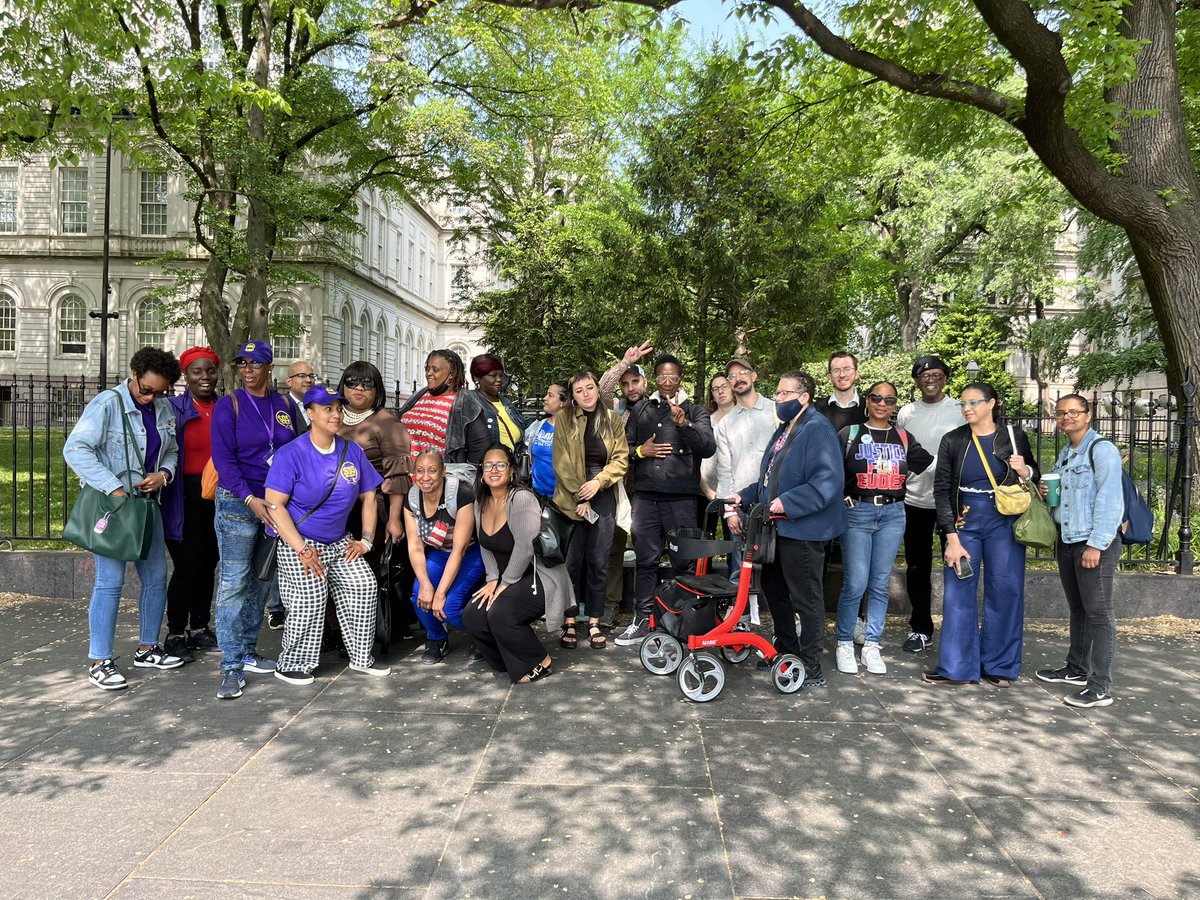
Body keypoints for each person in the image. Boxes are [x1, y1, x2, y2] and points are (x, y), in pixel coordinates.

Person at [64, 347, 185, 690]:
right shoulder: (107, 403)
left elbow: (172, 450)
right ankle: (100, 661)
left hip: (148, 504)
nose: (151, 397)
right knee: (110, 582)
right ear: (133, 374)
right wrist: (113, 487)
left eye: (160, 392)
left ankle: (147, 648)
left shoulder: (162, 408)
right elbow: (75, 448)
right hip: (114, 506)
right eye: (146, 389)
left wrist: (163, 473)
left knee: (157, 577)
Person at [265, 385, 390, 684]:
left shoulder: (351, 450)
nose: (335, 414)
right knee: (309, 601)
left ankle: (361, 657)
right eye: (326, 408)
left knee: (363, 586)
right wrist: (302, 550)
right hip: (302, 543)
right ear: (310, 413)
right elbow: (274, 505)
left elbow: (369, 496)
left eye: (337, 408)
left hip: (340, 541)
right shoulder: (292, 453)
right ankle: (292, 663)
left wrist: (367, 540)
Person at [729, 372, 846, 686]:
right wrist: (746, 495)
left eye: (784, 393)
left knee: (806, 598)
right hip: (777, 531)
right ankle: (785, 649)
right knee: (776, 591)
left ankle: (810, 666)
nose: (778, 399)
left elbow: (827, 482)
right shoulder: (785, 429)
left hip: (802, 531)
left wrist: (787, 503)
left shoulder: (817, 429)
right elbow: (771, 477)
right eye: (777, 393)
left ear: (804, 396)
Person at [926, 382, 1038, 687]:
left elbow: (1035, 476)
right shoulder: (953, 440)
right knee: (958, 591)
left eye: (974, 402)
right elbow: (942, 490)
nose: (967, 408)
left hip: (1005, 520)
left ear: (992, 403)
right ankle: (957, 667)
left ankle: (999, 666)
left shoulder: (1013, 438)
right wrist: (950, 537)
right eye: (963, 403)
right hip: (965, 521)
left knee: (1006, 589)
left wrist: (1024, 470)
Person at [210, 340, 298, 699]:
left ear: (269, 367)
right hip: (237, 502)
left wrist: (278, 501)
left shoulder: (284, 405)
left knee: (261, 582)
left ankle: (247, 650)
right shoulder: (227, 405)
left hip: (275, 506)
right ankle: (230, 665)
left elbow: (294, 450)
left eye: (255, 363)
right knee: (234, 582)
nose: (247, 370)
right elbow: (223, 460)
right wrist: (251, 498)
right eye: (242, 364)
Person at [834, 382, 933, 676]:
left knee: (879, 583)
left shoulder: (902, 437)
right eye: (877, 397)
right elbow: (832, 473)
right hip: (858, 513)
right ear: (868, 400)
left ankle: (872, 644)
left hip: (892, 513)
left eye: (889, 400)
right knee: (855, 583)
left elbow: (931, 465)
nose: (882, 403)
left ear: (894, 405)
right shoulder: (850, 434)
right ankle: (843, 642)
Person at [616, 353, 716, 646]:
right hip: (646, 499)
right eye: (662, 378)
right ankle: (642, 620)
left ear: (680, 378)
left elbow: (708, 447)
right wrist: (640, 453)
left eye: (672, 377)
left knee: (684, 564)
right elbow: (625, 450)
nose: (668, 382)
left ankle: (683, 622)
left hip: (681, 501)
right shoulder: (642, 410)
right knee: (645, 562)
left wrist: (684, 426)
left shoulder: (696, 411)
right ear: (655, 380)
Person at [1035, 394, 1125, 708]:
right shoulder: (1066, 453)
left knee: (1099, 615)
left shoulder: (1102, 450)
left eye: (1074, 412)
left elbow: (1110, 501)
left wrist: (1097, 544)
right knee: (1078, 609)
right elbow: (1064, 502)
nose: (1067, 417)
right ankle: (1076, 668)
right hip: (1068, 539)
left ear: (1088, 415)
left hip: (1091, 542)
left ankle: (1099, 687)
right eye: (1061, 413)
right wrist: (1047, 494)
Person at [464, 445, 555, 682]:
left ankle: (539, 659)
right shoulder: (480, 502)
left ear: (512, 471)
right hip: (506, 576)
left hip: (538, 577)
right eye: (488, 465)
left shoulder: (521, 498)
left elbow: (525, 548)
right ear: (482, 473)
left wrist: (503, 584)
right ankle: (506, 661)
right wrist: (492, 579)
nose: (494, 470)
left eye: (501, 464)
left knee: (499, 613)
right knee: (473, 614)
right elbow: (485, 545)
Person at [552, 370, 629, 650]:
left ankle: (594, 621)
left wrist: (598, 483)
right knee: (572, 563)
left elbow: (621, 459)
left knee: (599, 562)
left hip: (602, 493)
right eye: (579, 390)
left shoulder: (611, 419)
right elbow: (561, 462)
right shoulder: (564, 419)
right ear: (572, 396)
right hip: (571, 498)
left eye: (590, 388)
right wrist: (579, 496)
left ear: (598, 389)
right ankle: (570, 622)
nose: (586, 394)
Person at [896, 355, 962, 653]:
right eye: (924, 375)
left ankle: (958, 628)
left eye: (937, 374)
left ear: (945, 378)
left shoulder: (960, 410)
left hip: (953, 501)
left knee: (958, 564)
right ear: (916, 381)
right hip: (915, 500)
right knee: (917, 568)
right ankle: (921, 628)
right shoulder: (907, 413)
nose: (930, 379)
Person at [161, 346, 222, 662]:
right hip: (182, 494)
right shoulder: (173, 408)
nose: (205, 377)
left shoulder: (225, 408)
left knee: (209, 563)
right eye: (197, 371)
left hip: (218, 493)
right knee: (187, 565)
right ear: (186, 374)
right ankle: (174, 632)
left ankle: (199, 627)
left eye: (210, 370)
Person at [403, 451, 487, 662]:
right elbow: (414, 546)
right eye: (420, 471)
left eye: (432, 471)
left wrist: (439, 593)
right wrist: (425, 584)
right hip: (440, 551)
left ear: (443, 472)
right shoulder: (412, 497)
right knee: (419, 596)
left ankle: (485, 635)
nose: (425, 477)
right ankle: (437, 638)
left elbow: (459, 549)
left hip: (471, 551)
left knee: (448, 607)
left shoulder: (460, 493)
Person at [716, 359, 777, 581]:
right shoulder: (725, 424)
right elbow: (724, 471)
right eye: (731, 376)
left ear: (754, 376)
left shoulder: (775, 411)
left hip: (775, 502)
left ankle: (786, 614)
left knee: (780, 563)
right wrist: (730, 511)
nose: (738, 378)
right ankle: (739, 613)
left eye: (742, 372)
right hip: (740, 505)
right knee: (738, 567)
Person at [398, 349, 490, 476]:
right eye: (427, 369)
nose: (428, 373)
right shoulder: (419, 396)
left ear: (451, 374)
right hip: (407, 480)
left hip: (440, 484)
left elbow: (480, 452)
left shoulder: (466, 405)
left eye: (435, 370)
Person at [470, 352, 529, 454]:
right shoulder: (469, 401)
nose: (499, 380)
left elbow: (525, 428)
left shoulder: (506, 403)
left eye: (501, 376)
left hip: (510, 464)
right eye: (493, 375)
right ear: (477, 377)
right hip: (485, 466)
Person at [699, 372, 735, 531]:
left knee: (734, 542)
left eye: (724, 386)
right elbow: (697, 460)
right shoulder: (705, 421)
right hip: (706, 491)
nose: (720, 391)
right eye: (715, 389)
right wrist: (707, 490)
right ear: (712, 396)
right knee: (704, 542)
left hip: (736, 494)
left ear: (733, 389)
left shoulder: (745, 418)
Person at [524, 383, 569, 503]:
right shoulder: (538, 425)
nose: (545, 398)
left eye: (550, 395)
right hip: (536, 494)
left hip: (563, 498)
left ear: (563, 402)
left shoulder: (573, 429)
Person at [815, 351, 867, 432]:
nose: (842, 375)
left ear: (856, 374)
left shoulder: (869, 409)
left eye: (847, 369)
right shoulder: (816, 410)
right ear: (830, 377)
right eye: (836, 370)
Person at [285, 360, 317, 432]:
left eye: (311, 376)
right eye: (302, 376)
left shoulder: (319, 405)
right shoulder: (282, 405)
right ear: (289, 382)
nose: (308, 380)